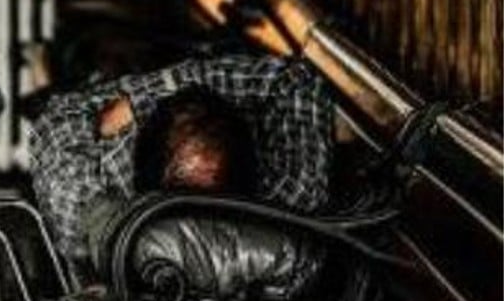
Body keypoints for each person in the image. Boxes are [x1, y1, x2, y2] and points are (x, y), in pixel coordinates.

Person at [29, 54, 337, 285]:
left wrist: (137, 100)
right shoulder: (103, 181)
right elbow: (52, 123)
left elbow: (297, 78)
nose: (199, 219)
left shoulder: (282, 196)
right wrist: (154, 93)